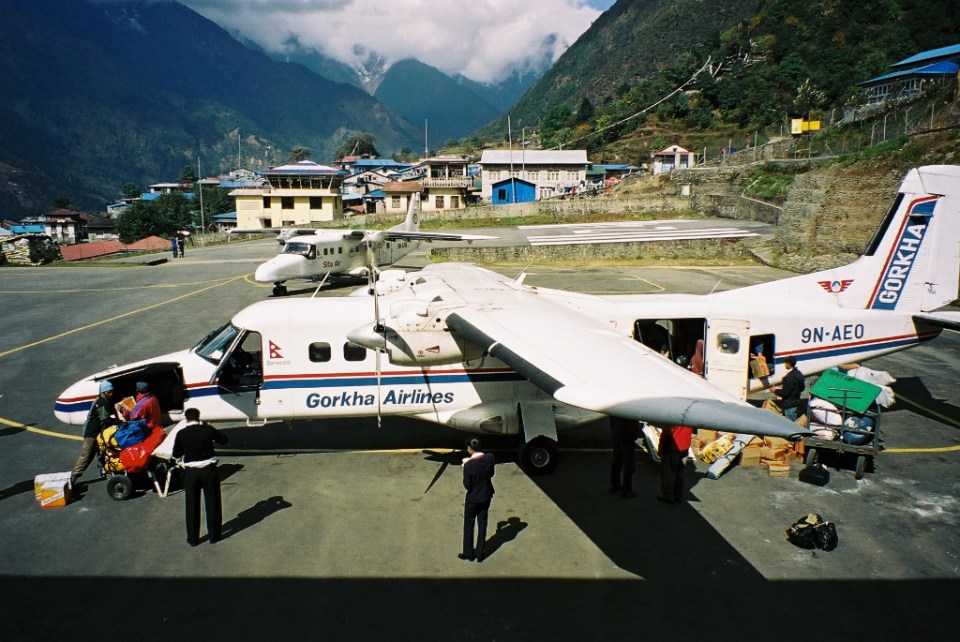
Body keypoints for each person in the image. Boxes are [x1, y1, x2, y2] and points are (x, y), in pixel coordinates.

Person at [172, 407, 228, 546]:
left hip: (191, 472)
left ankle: (193, 539)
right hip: (209, 470)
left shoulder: (181, 433)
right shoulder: (207, 429)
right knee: (213, 502)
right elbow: (224, 440)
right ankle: (214, 536)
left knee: (192, 504)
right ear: (199, 417)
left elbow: (176, 454)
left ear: (186, 419)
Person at [71, 380, 119, 486]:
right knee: (87, 455)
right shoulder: (101, 402)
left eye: (112, 392)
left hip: (98, 433)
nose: (111, 394)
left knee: (103, 452)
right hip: (92, 434)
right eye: (109, 392)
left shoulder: (105, 400)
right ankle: (74, 476)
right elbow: (105, 419)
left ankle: (107, 471)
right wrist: (119, 422)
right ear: (104, 392)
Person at [460, 437, 495, 562]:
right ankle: (480, 553)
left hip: (473, 498)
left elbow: (467, 485)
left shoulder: (469, 465)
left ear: (470, 449)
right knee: (482, 524)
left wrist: (464, 469)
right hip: (486, 495)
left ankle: (468, 553)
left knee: (469, 525)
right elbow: (491, 474)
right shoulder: (490, 458)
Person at [658, 425, 693, 504]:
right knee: (679, 473)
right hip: (685, 446)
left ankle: (668, 496)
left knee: (668, 473)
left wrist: (661, 450)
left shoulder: (672, 419)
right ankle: (678, 495)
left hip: (672, 447)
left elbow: (666, 433)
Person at [609, 416, 639, 498]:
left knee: (617, 460)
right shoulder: (631, 411)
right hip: (626, 437)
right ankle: (627, 490)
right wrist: (634, 435)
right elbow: (633, 425)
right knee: (629, 464)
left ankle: (615, 484)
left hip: (616, 434)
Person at [774, 355, 805, 421]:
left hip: (789, 405)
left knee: (790, 425)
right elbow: (802, 388)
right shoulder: (799, 373)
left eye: (785, 363)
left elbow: (784, 393)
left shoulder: (789, 377)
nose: (784, 364)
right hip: (795, 403)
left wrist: (774, 390)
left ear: (788, 364)